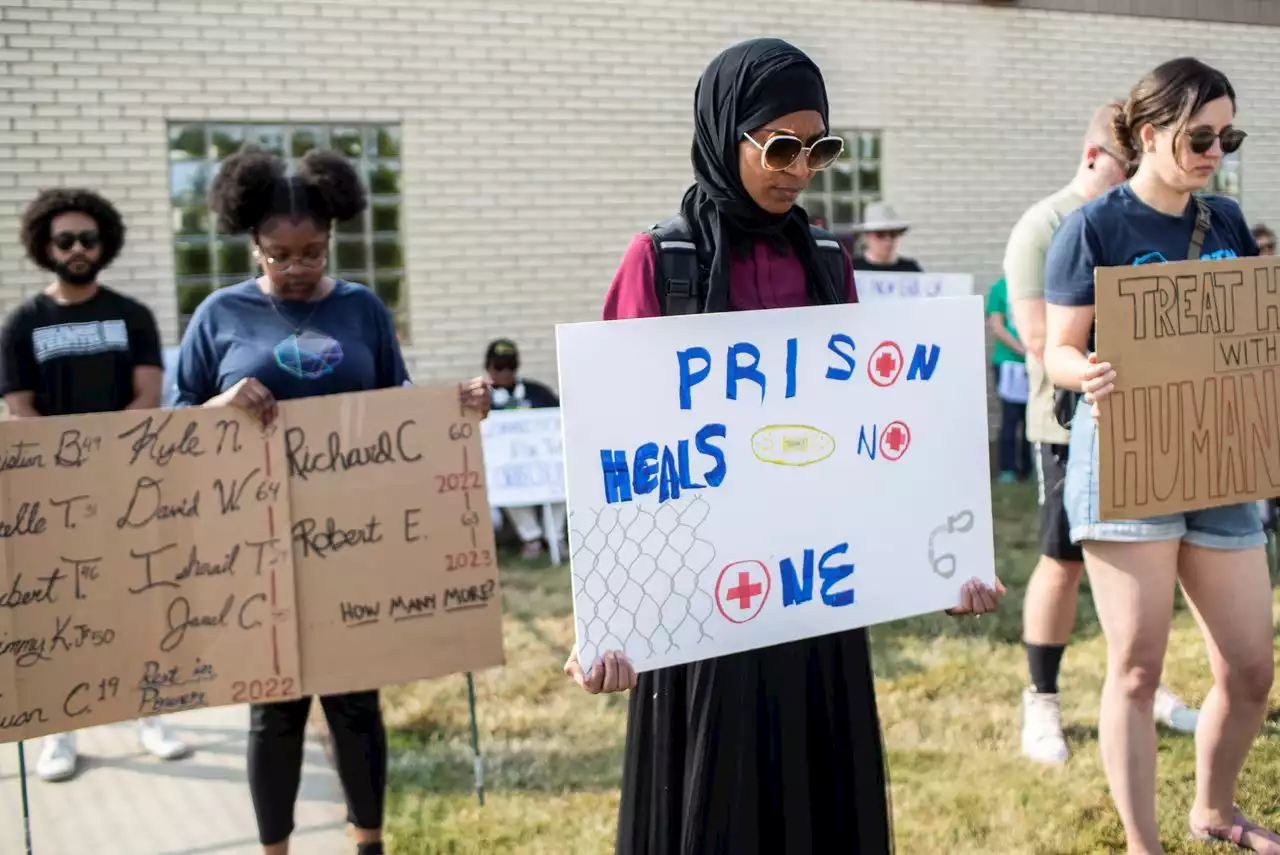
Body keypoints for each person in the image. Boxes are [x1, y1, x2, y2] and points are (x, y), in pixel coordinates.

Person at [567, 37, 1006, 855]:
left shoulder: (832, 261)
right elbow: (613, 446)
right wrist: (604, 620)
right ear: (727, 132)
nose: (800, 168)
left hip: (813, 594)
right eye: (780, 145)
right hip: (701, 609)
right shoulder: (664, 261)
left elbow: (870, 433)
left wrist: (937, 564)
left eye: (820, 147)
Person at [175, 145, 490, 855]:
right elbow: (176, 417)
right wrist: (222, 402)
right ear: (252, 245)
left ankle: (367, 840)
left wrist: (457, 405)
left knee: (355, 702)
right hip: (258, 542)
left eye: (312, 252)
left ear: (331, 242)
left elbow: (399, 406)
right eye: (278, 254)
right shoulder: (217, 313)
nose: (296, 267)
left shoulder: (361, 308)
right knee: (275, 708)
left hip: (355, 541)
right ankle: (275, 848)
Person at [1044, 58, 1278, 854]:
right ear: (1150, 134)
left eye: (1228, 135)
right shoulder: (1095, 228)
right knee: (1139, 669)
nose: (1216, 150)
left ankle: (1213, 809)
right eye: (1200, 135)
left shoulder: (1230, 220)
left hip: (1220, 458)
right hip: (1127, 455)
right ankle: (1145, 846)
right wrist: (1093, 372)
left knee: (1251, 669)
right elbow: (1059, 354)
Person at [1004, 103, 1199, 766]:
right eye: (1125, 165)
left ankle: (1145, 681)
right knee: (1061, 561)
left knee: (1154, 558)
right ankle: (1043, 699)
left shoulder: (1151, 218)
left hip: (1147, 419)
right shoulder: (1045, 224)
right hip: (1063, 426)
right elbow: (1037, 337)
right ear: (1094, 157)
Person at [0, 188, 191, 783]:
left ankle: (150, 711)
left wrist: (107, 458)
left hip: (129, 487)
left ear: (105, 243)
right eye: (65, 239)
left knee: (140, 600)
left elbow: (148, 396)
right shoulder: (23, 323)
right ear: (45, 246)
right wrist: (68, 461)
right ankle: (62, 730)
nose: (78, 249)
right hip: (52, 497)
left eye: (88, 238)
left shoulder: (132, 314)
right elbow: (18, 406)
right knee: (65, 611)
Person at [484, 338, 567, 559]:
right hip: (506, 468)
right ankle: (531, 538)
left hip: (543, 465)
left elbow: (558, 419)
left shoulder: (537, 393)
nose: (504, 373)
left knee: (561, 482)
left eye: (510, 367)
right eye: (499, 367)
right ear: (489, 368)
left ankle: (555, 537)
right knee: (506, 485)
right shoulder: (482, 398)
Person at [986, 276, 1030, 483]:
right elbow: (997, 326)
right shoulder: (1000, 288)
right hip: (1008, 363)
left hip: (1035, 363)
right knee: (1010, 417)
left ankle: (1030, 468)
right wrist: (1022, 350)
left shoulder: (1039, 286)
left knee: (1031, 417)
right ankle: (1008, 469)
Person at [850, 202, 922, 272]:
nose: (888, 241)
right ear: (867, 237)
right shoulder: (852, 269)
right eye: (880, 235)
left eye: (893, 234)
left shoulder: (910, 269)